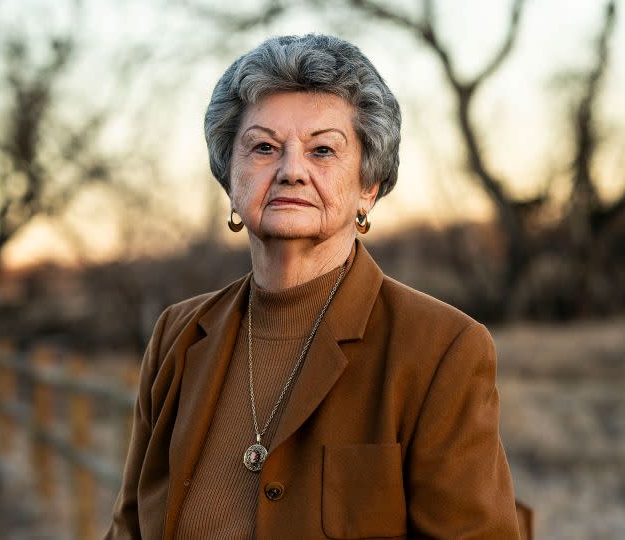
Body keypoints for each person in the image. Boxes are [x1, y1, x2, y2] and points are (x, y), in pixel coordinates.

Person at [106, 34, 522, 539]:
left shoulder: (442, 349)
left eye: (323, 150)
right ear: (229, 178)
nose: (291, 171)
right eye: (264, 147)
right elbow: (127, 530)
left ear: (368, 186)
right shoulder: (177, 333)